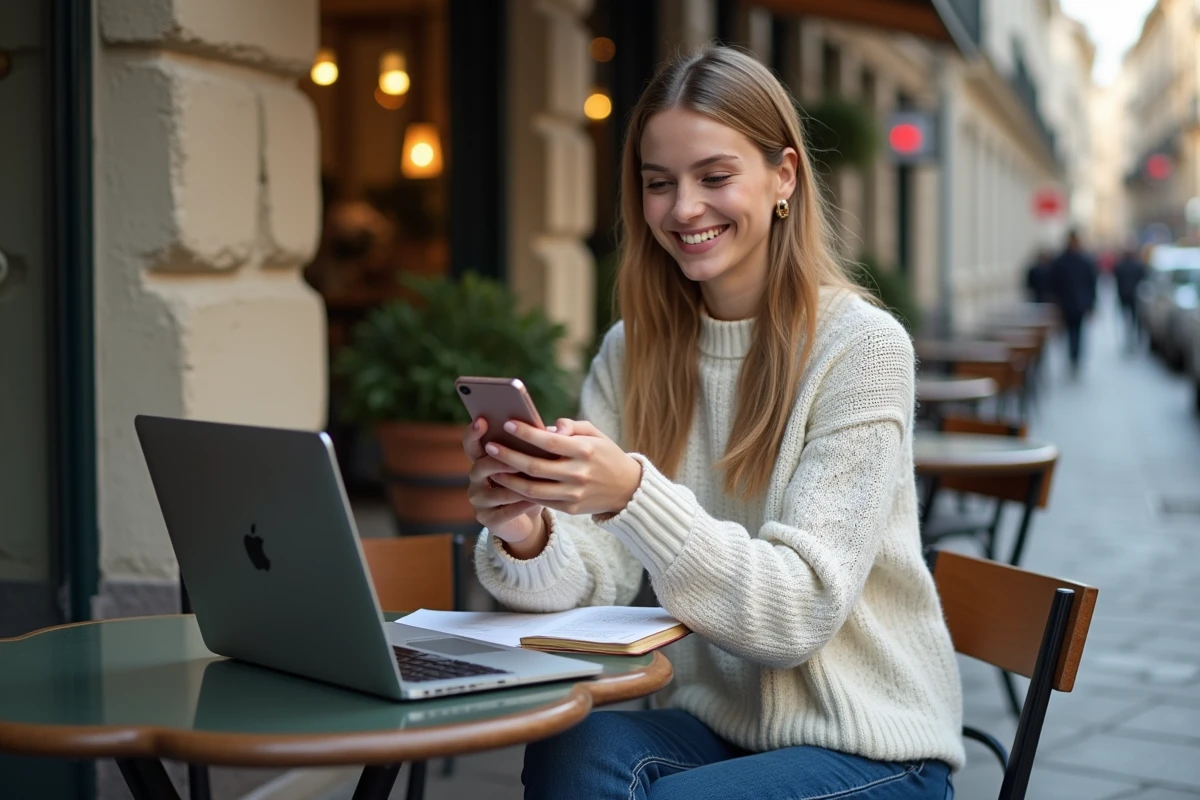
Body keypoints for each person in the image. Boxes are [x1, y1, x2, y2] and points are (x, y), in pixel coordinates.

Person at [461, 45, 963, 800]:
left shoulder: (862, 349)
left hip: (871, 742)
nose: (683, 208)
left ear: (783, 176)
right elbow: (594, 579)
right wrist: (528, 530)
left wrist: (633, 493)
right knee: (571, 749)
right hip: (718, 728)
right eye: (659, 183)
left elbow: (798, 614)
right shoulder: (636, 350)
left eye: (715, 177)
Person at [1047, 229, 1098, 376]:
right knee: (1070, 333)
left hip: (1080, 305)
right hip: (1065, 305)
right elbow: (1053, 284)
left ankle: (1076, 358)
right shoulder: (1061, 261)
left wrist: (1091, 305)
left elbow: (1091, 284)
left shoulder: (1084, 261)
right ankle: (1072, 357)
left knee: (1078, 333)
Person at [1113, 245, 1147, 349]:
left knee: (1127, 317)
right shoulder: (1138, 266)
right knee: (1135, 317)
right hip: (1134, 295)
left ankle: (1130, 337)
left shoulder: (1121, 266)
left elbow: (1117, 281)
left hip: (1124, 295)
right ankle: (1134, 337)